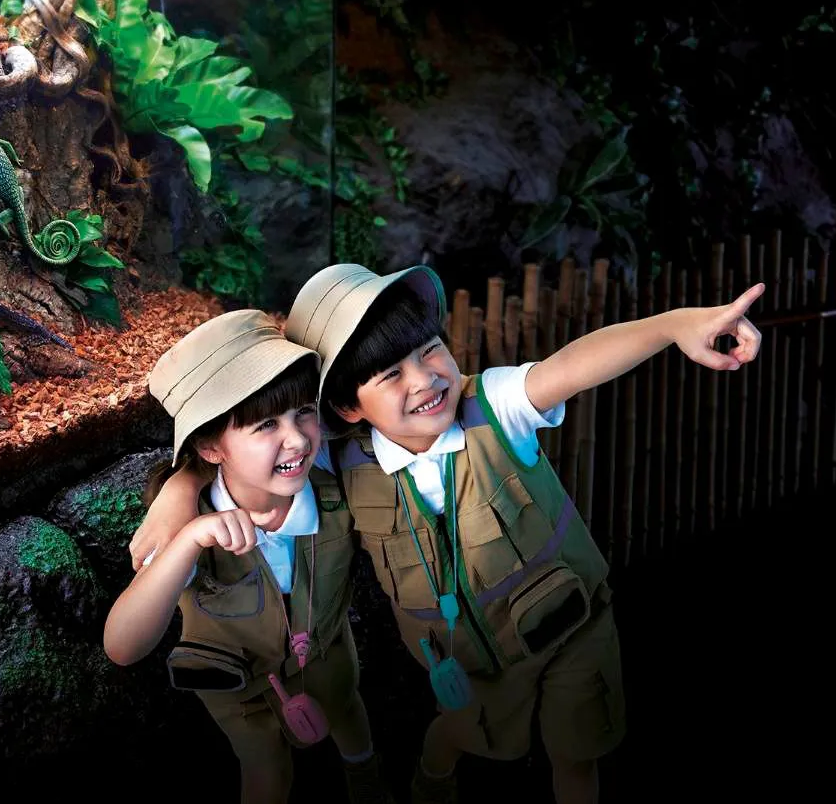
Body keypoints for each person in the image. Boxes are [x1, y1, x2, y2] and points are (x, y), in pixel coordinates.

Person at [132, 265, 763, 803]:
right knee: (473, 733)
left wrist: (674, 324)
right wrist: (176, 494)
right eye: (389, 376)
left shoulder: (493, 406)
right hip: (463, 658)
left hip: (570, 625)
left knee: (578, 750)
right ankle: (434, 770)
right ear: (347, 408)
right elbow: (241, 452)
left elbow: (573, 365)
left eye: (429, 350)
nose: (425, 379)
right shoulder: (337, 458)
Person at [103, 308, 390, 803]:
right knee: (265, 770)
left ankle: (365, 778)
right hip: (236, 686)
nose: (297, 438)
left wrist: (184, 477)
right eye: (264, 426)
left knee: (346, 708)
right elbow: (122, 646)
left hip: (327, 654)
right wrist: (190, 536)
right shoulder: (186, 521)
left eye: (304, 410)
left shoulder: (326, 471)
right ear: (212, 447)